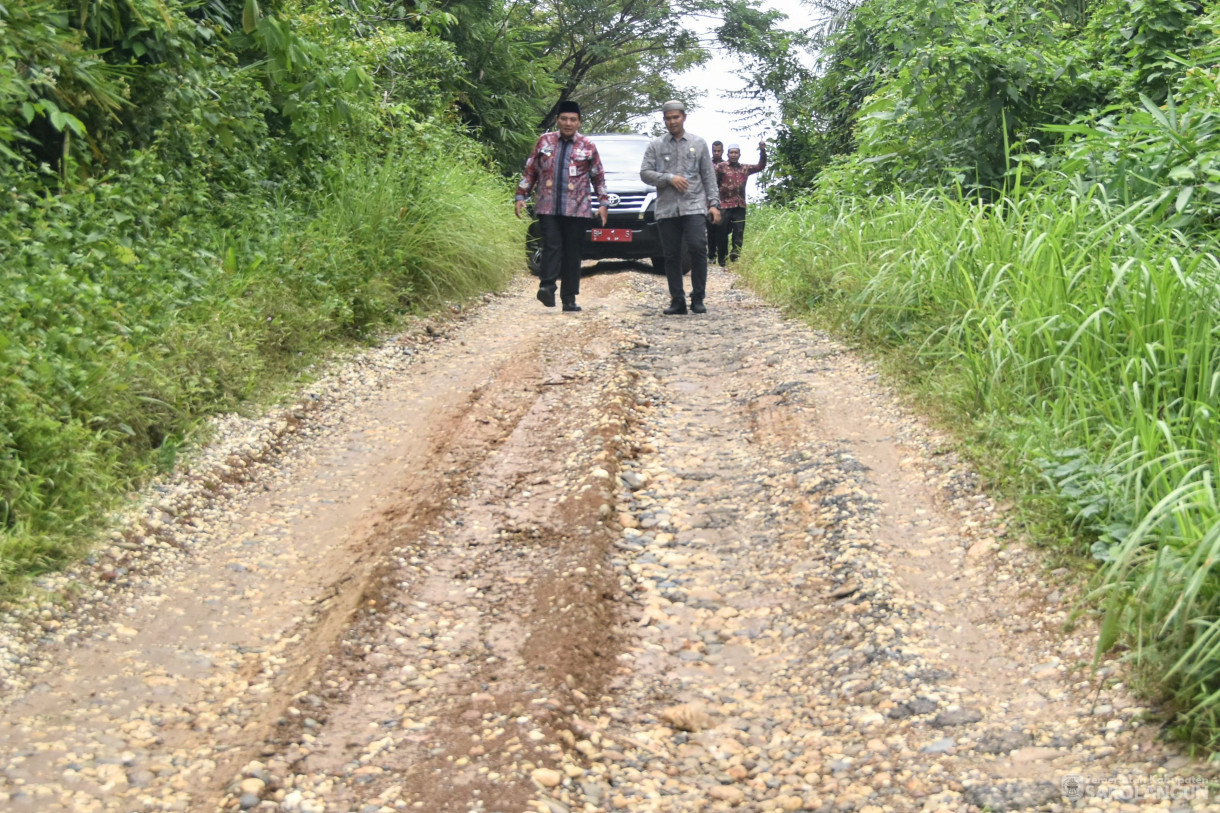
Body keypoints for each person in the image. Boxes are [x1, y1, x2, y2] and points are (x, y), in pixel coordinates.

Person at [515, 100, 608, 312]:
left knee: (573, 252)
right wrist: (521, 196)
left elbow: (598, 177)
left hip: (578, 209)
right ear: (557, 120)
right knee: (552, 246)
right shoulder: (544, 142)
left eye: (573, 119)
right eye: (564, 119)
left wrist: (603, 203)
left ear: (579, 122)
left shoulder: (588, 145)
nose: (568, 123)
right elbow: (531, 171)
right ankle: (547, 287)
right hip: (548, 207)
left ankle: (569, 298)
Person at [640, 101, 721, 315]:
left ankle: (698, 297)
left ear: (684, 117)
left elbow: (708, 176)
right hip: (667, 209)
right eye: (668, 118)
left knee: (697, 247)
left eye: (676, 117)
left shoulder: (699, 143)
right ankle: (677, 300)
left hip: (694, 206)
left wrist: (714, 204)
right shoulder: (655, 145)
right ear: (664, 120)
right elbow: (645, 173)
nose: (672, 121)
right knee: (671, 254)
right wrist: (668, 178)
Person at [715, 141, 767, 264]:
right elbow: (713, 183)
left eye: (736, 153)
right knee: (722, 232)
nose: (733, 155)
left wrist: (762, 151)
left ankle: (735, 256)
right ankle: (722, 258)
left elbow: (761, 166)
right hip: (724, 205)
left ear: (739, 154)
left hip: (739, 206)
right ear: (728, 154)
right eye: (731, 152)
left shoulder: (745, 168)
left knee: (738, 232)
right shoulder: (721, 167)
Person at [707, 140, 725, 262]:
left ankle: (722, 256)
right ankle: (711, 255)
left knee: (722, 229)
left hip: (725, 201)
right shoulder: (707, 164)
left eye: (719, 151)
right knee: (710, 228)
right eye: (714, 151)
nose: (716, 153)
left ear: (722, 151)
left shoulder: (726, 165)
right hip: (709, 201)